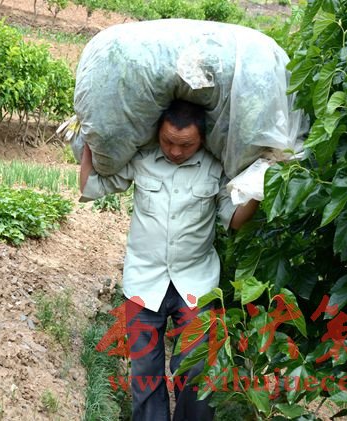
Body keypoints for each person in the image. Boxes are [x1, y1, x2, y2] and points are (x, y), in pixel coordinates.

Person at [79, 99, 258, 421]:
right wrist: (90, 138)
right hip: (144, 281)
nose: (175, 151)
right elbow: (93, 185)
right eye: (168, 142)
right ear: (157, 133)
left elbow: (234, 219)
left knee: (197, 367)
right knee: (145, 372)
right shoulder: (142, 158)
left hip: (196, 282)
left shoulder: (214, 166)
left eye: (186, 145)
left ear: (202, 138)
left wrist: (259, 185)